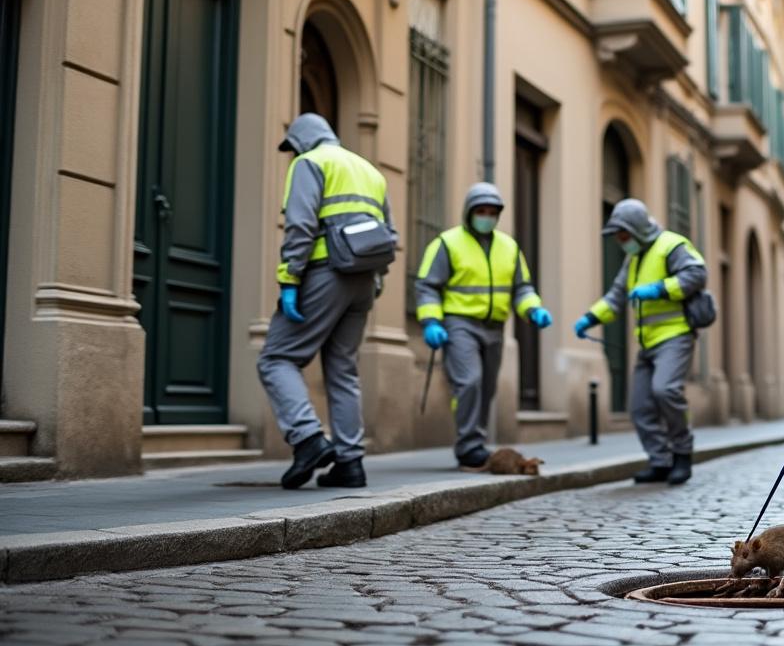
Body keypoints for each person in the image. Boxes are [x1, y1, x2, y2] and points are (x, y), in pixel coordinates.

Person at [258, 113, 394, 490]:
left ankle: (308, 439)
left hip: (324, 273)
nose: (293, 154)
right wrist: (376, 278)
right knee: (343, 369)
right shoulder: (370, 171)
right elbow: (390, 233)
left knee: (277, 358)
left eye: (293, 147)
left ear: (302, 140)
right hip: (363, 281)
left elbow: (300, 226)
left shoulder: (310, 163)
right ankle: (350, 464)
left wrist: (289, 279)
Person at [414, 182, 552, 469]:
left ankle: (474, 440)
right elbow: (427, 286)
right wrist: (431, 321)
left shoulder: (509, 247)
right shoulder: (447, 243)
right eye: (481, 211)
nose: (486, 216)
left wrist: (533, 309)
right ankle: (469, 446)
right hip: (459, 323)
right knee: (470, 381)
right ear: (469, 212)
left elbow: (522, 288)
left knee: (486, 388)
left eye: (492, 212)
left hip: (495, 327)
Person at [574, 199, 706, 485]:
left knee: (665, 390)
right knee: (639, 406)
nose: (621, 241)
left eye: (623, 235)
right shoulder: (632, 260)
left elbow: (697, 274)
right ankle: (660, 461)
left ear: (637, 229)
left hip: (675, 335)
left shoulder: (671, 246)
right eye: (618, 236)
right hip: (647, 342)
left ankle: (682, 454)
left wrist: (660, 289)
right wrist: (589, 318)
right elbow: (616, 296)